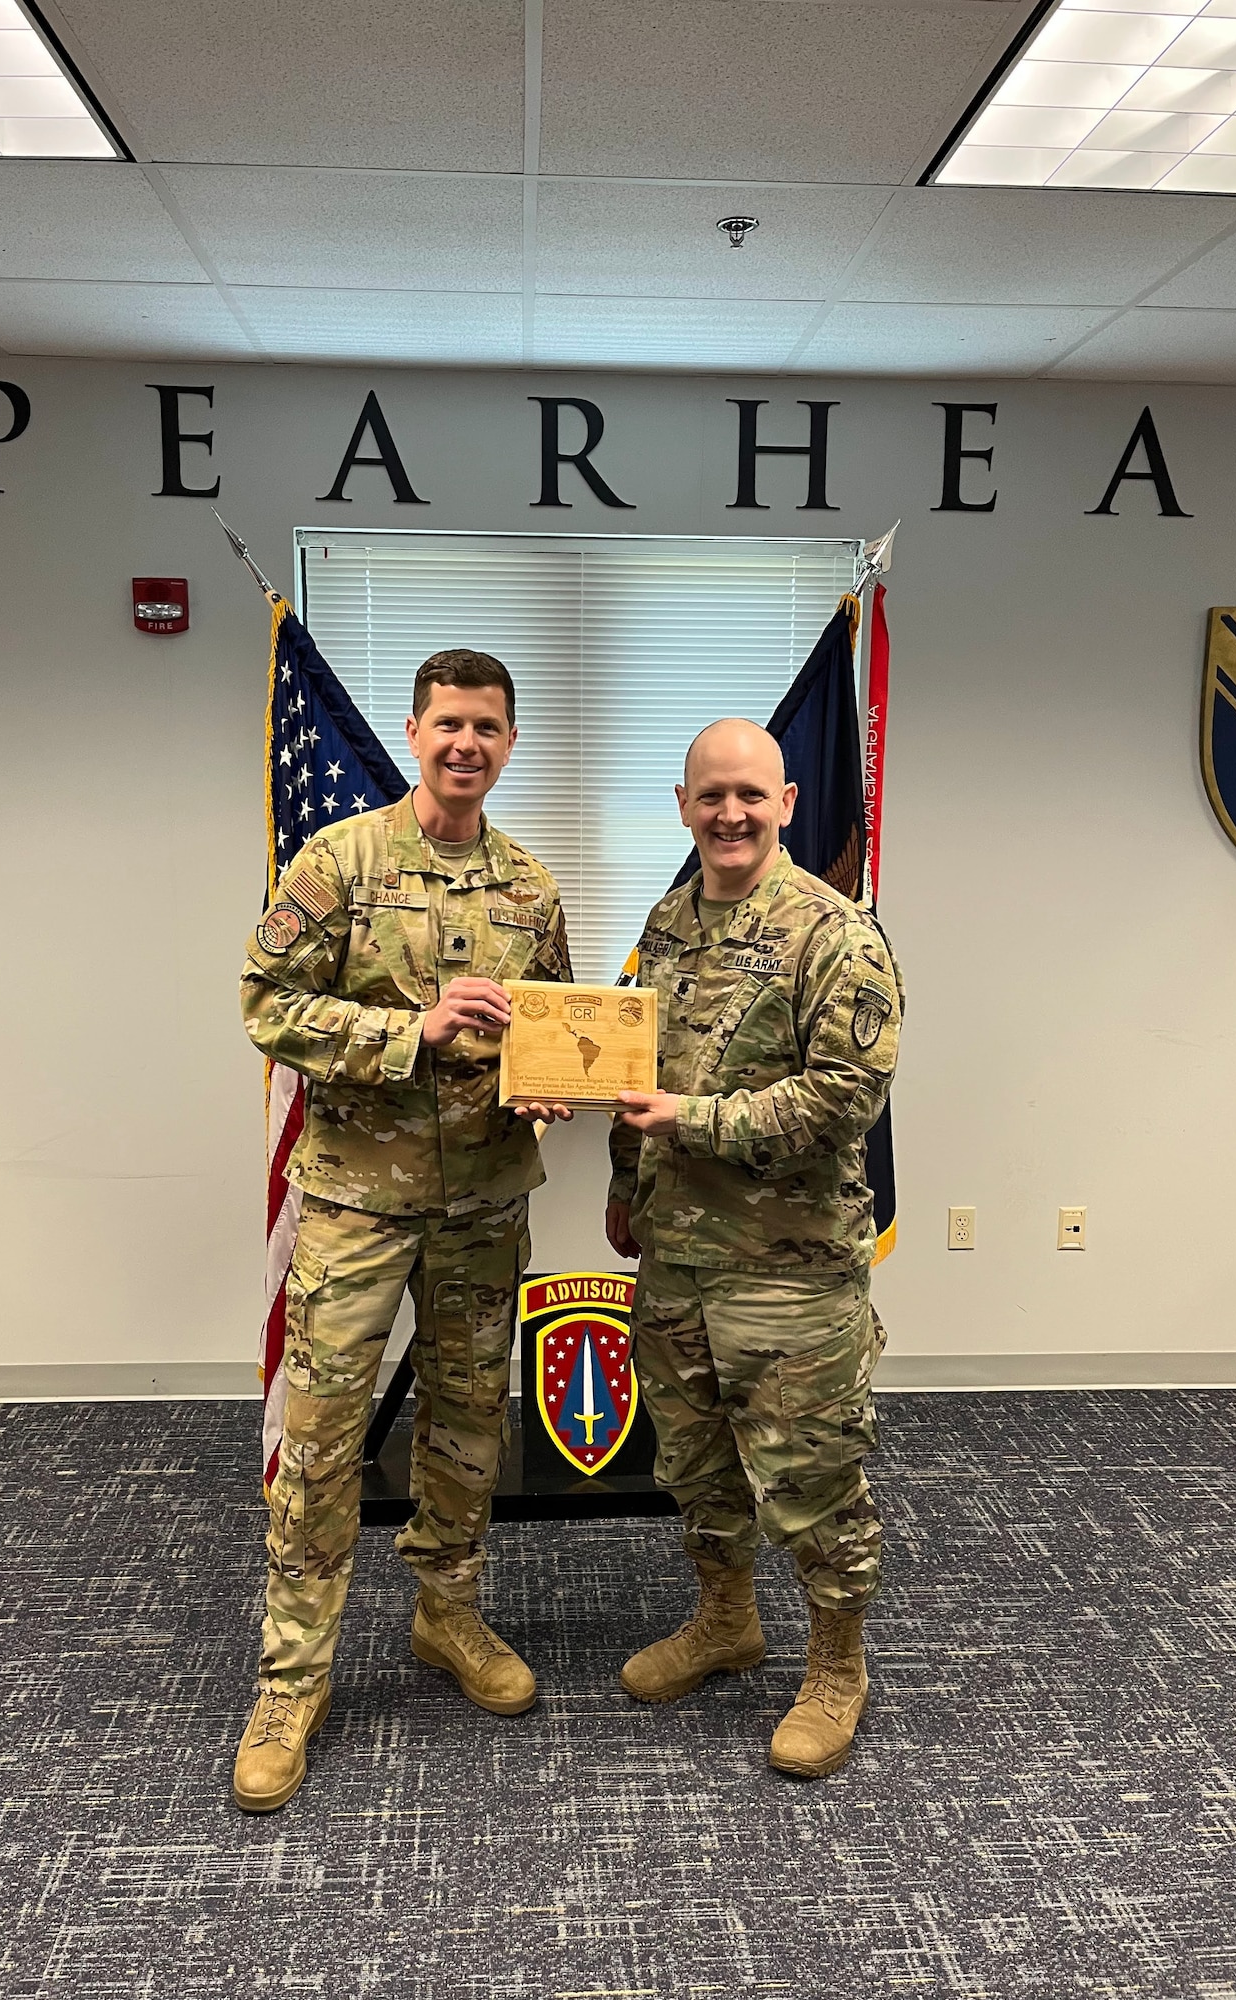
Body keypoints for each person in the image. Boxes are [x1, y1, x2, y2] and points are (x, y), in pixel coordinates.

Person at [232, 647, 572, 1813]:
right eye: (448, 723)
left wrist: (552, 1081)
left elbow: (560, 1027)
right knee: (324, 1435)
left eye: (488, 726)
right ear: (415, 729)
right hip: (356, 1204)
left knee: (471, 1420)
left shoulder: (532, 886)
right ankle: (292, 1677)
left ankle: (447, 1610)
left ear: (509, 742)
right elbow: (263, 1002)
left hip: (483, 1203)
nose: (466, 743)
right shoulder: (342, 858)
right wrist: (406, 1032)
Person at [606, 717, 903, 1780]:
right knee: (694, 1461)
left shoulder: (836, 933)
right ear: (682, 804)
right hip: (678, 1255)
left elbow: (844, 1098)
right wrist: (619, 1182)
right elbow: (630, 1055)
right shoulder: (669, 919)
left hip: (791, 1266)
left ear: (785, 802)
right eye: (709, 795)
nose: (729, 813)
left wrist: (691, 1120)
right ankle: (726, 1617)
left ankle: (837, 1663)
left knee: (813, 1475)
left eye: (750, 794)